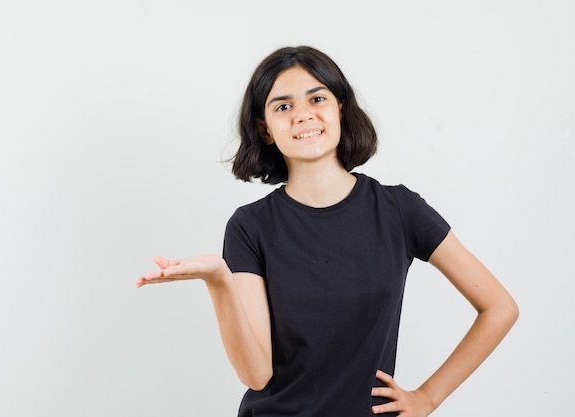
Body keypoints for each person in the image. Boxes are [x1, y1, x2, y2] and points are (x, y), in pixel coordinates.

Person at [135, 46, 519, 417]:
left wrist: (428, 398)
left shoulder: (399, 210)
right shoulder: (249, 227)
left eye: (316, 99)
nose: (302, 115)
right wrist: (219, 279)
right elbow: (257, 375)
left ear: (341, 108)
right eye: (283, 106)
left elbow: (499, 308)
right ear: (265, 130)